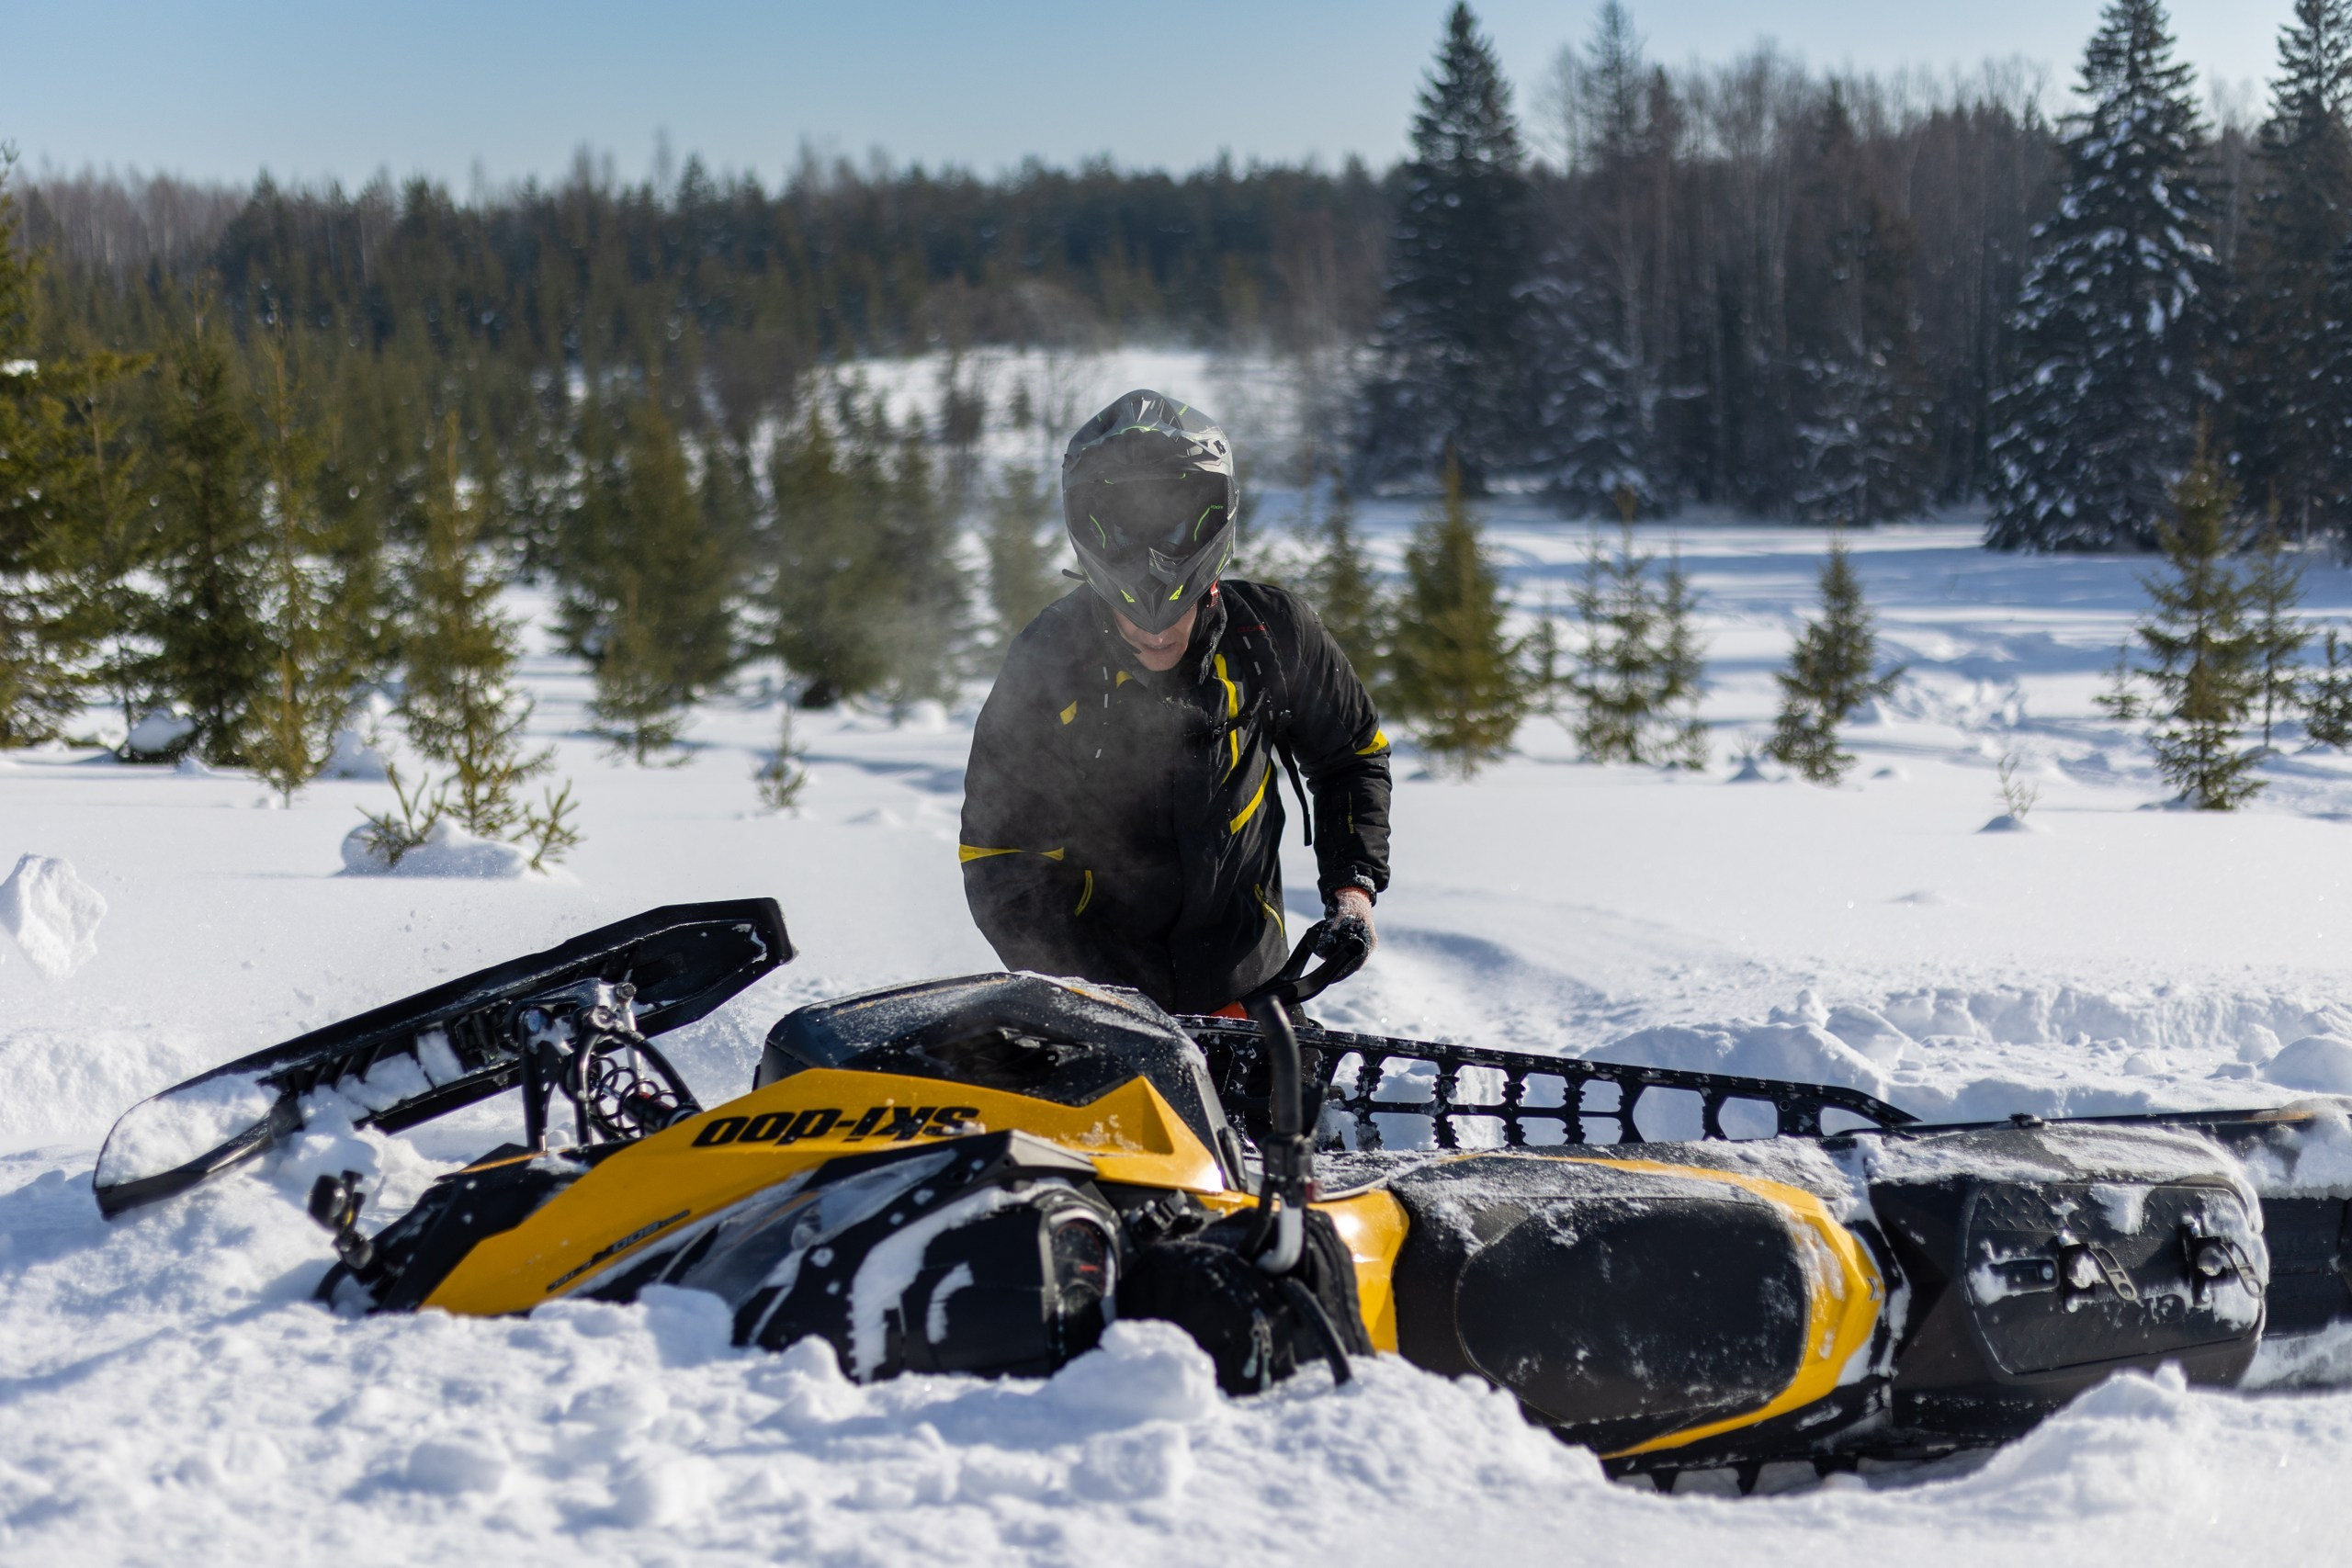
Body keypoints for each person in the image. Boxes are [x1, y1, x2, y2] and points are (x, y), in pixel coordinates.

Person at [959, 389, 1391, 1015]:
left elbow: (1351, 755)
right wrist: (1088, 992)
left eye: (1175, 615)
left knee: (1297, 1116)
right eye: (1133, 623)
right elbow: (999, 857)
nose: (1156, 635)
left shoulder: (1272, 634)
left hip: (1251, 994)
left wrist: (1353, 890)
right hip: (1099, 1004)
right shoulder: (1046, 661)